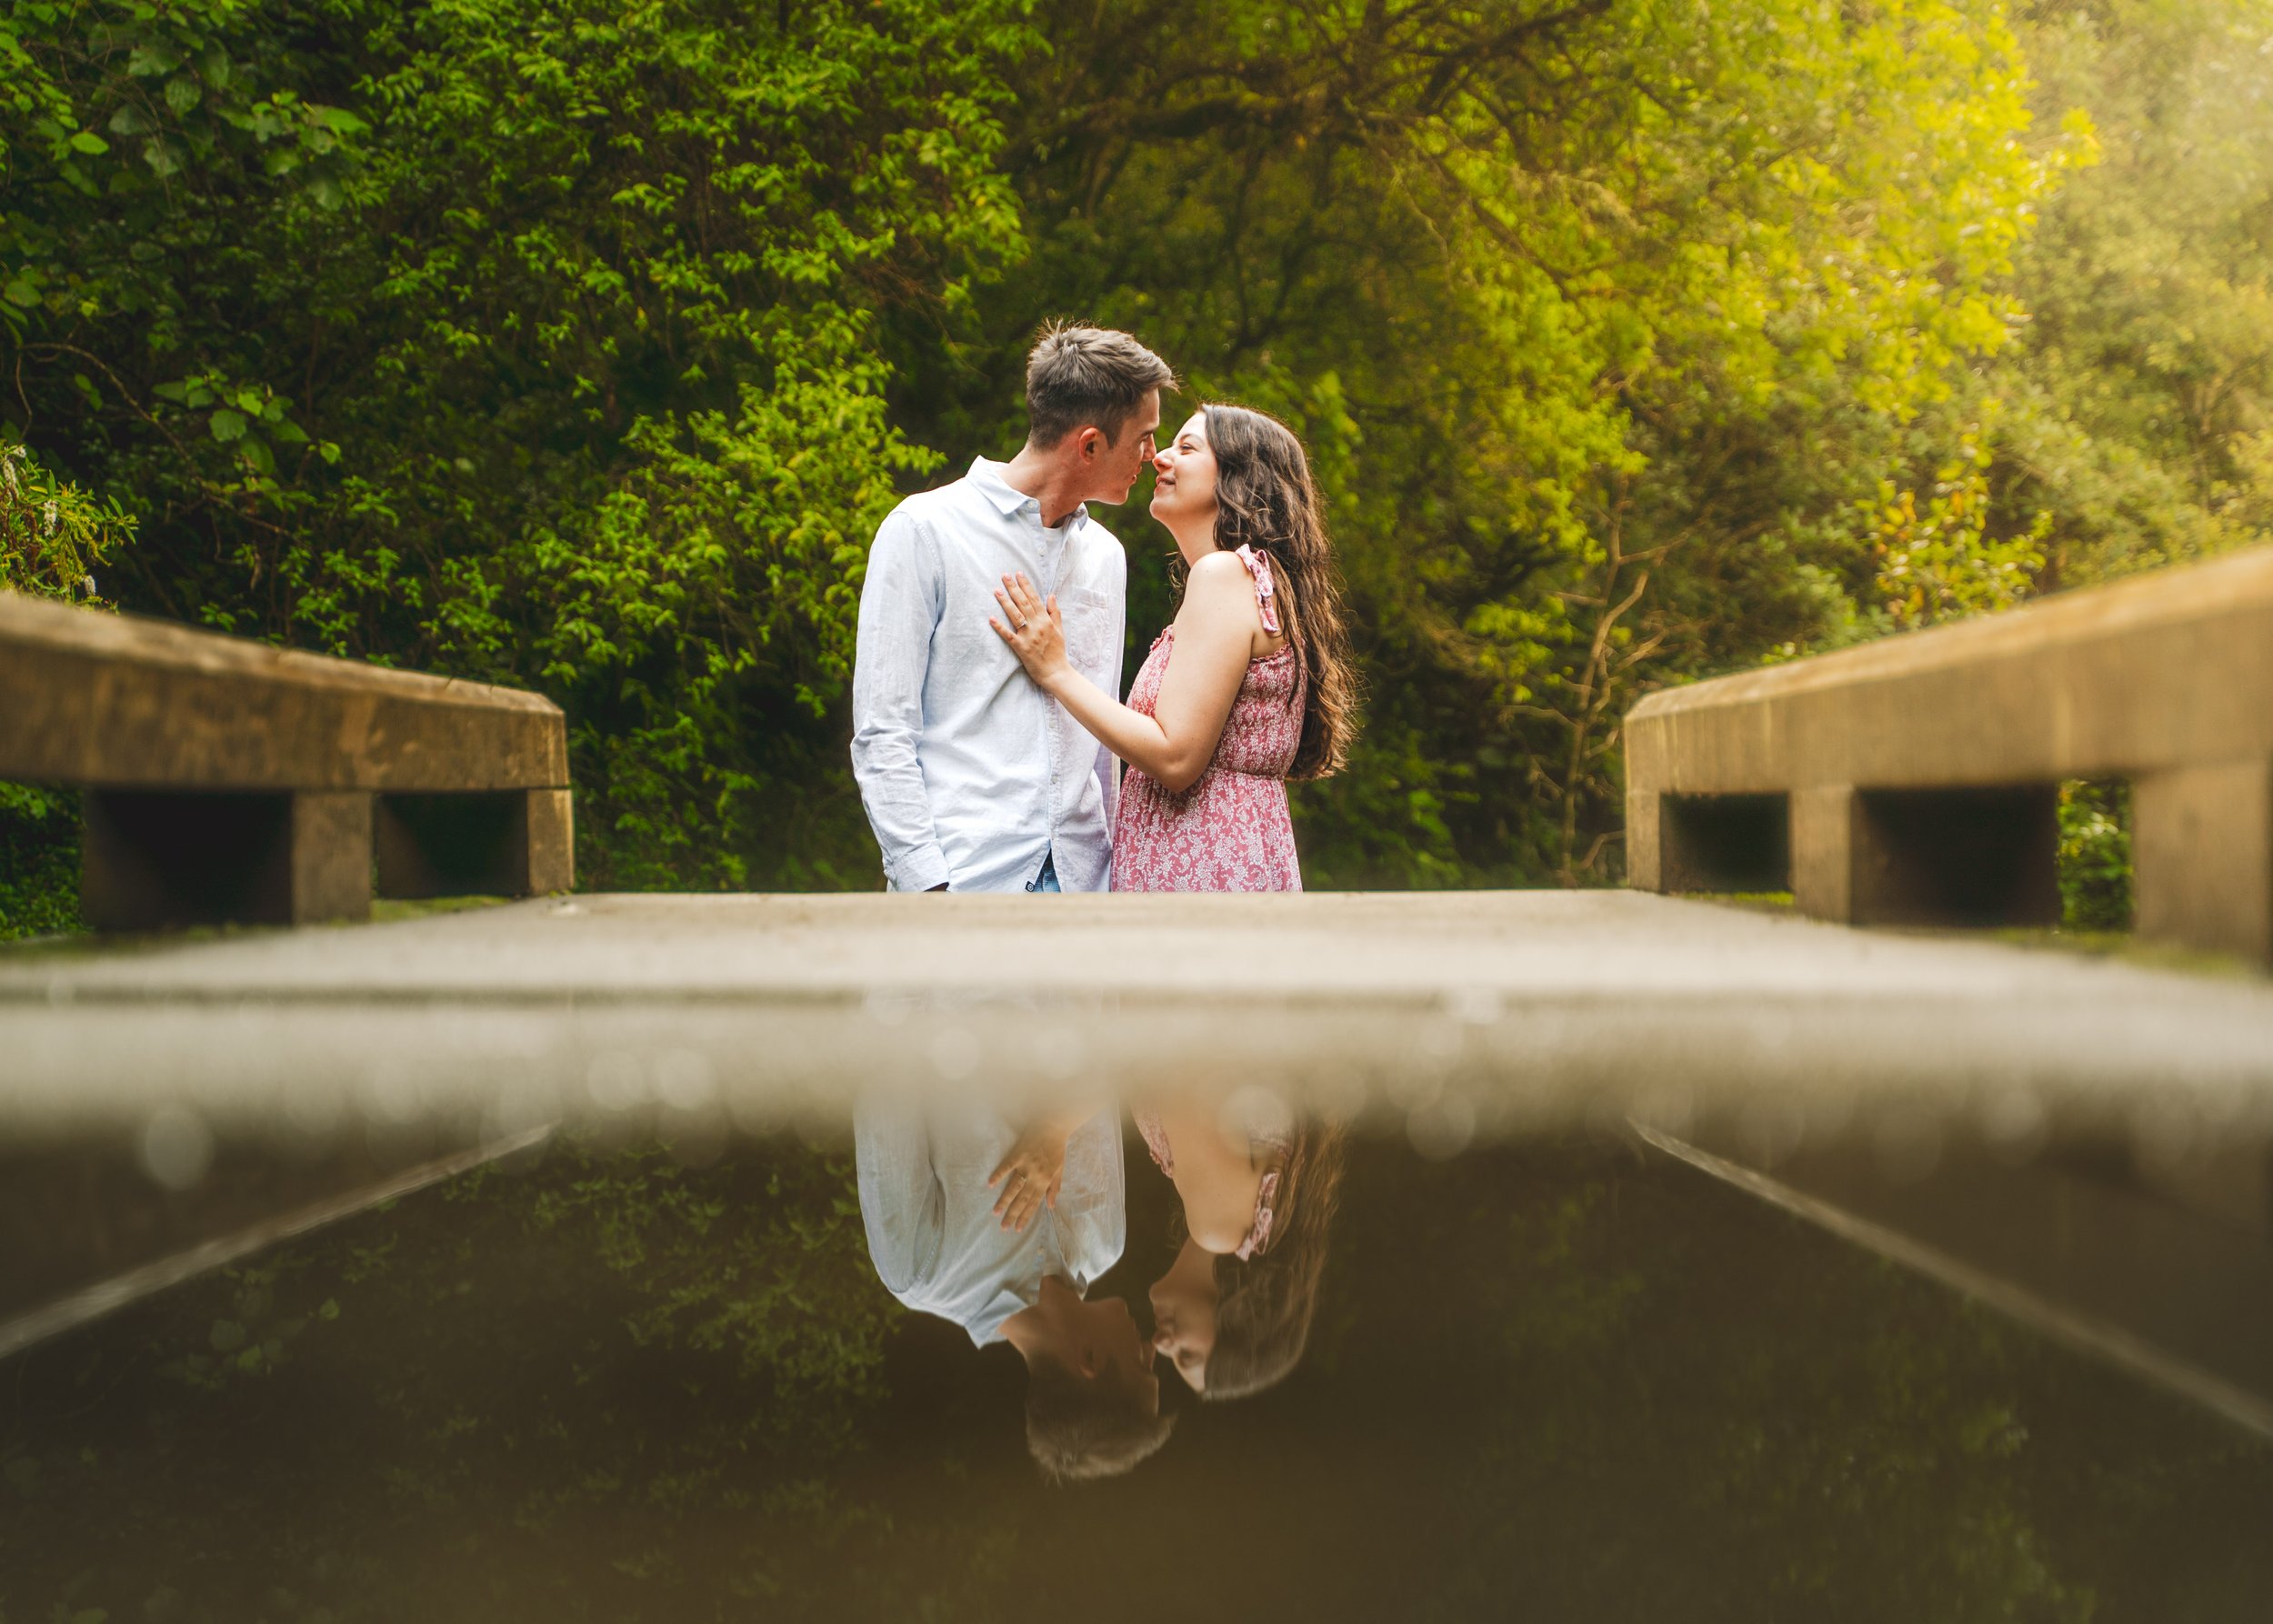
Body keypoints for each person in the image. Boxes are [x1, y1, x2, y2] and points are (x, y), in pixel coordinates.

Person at [851, 323, 1174, 895]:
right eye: (1144, 436)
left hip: (1085, 884)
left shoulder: (1105, 556)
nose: (1152, 456)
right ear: (1091, 444)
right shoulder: (923, 531)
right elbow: (883, 732)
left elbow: (1099, 747)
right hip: (966, 879)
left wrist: (1113, 877)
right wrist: (925, 882)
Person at [987, 401, 1359, 893]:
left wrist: (1056, 671)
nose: (1160, 458)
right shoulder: (1253, 581)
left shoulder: (1224, 575)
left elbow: (1176, 759)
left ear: (1238, 479)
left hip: (1204, 865)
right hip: (1229, 855)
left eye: (1187, 448)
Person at [855, 1092, 1172, 1480]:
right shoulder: (1106, 1241)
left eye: (1143, 1366)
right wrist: (1059, 1125)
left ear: (1089, 1359)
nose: (1151, 1347)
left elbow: (883, 1082)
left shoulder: (922, 1274)